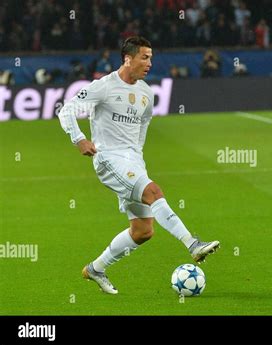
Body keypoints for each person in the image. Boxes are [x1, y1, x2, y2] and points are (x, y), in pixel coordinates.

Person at [58, 36, 220, 295]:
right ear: (128, 58)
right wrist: (79, 139)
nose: (149, 63)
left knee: (143, 231)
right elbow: (66, 110)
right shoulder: (104, 86)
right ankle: (193, 244)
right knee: (153, 191)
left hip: (133, 161)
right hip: (108, 158)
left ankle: (95, 269)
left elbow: (142, 127)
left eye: (151, 58)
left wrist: (138, 159)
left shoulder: (146, 93)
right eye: (144, 57)